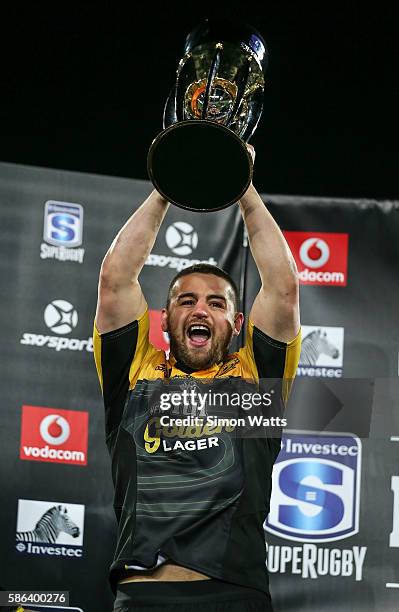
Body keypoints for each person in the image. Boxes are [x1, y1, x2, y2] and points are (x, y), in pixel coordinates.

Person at [93, 146, 301, 611]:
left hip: (233, 595)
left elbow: (283, 290)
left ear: (238, 322)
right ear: (164, 320)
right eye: (186, 301)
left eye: (216, 303)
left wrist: (241, 181)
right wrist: (167, 184)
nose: (200, 309)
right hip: (142, 594)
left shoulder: (256, 380)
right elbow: (115, 280)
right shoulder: (135, 376)